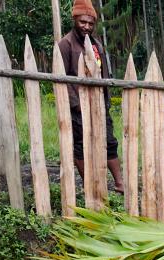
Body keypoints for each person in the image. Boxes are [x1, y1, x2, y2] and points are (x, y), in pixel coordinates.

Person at [56, 0, 124, 193]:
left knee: (109, 141)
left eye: (90, 23)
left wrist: (106, 100)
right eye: (82, 22)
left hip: (99, 104)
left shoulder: (96, 45)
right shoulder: (66, 44)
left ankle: (120, 183)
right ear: (74, 20)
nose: (86, 26)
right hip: (78, 107)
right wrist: (76, 105)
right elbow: (62, 78)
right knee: (81, 145)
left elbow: (104, 75)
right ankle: (90, 185)